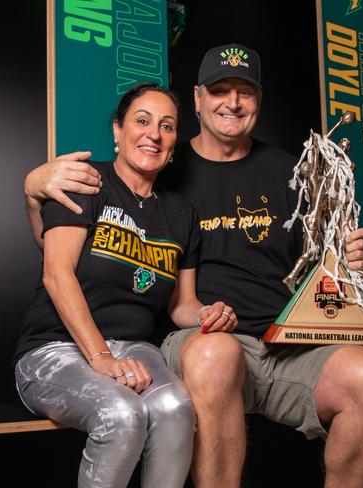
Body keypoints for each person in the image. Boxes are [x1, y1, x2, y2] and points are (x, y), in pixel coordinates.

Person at [24, 44, 363, 488]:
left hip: (288, 345)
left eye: (246, 92)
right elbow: (65, 251)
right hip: (205, 348)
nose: (233, 103)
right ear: (199, 99)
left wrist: (351, 262)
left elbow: (324, 264)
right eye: (220, 90)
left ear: (259, 102)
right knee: (215, 352)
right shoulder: (164, 165)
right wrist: (33, 187)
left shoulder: (292, 172)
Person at [14, 82, 238, 488]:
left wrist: (206, 312)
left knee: (175, 407)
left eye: (167, 126)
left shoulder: (181, 213)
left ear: (173, 143)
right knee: (122, 415)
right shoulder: (87, 182)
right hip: (54, 348)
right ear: (118, 131)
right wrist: (100, 357)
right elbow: (56, 273)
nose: (154, 133)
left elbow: (180, 305)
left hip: (133, 349)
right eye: (142, 121)